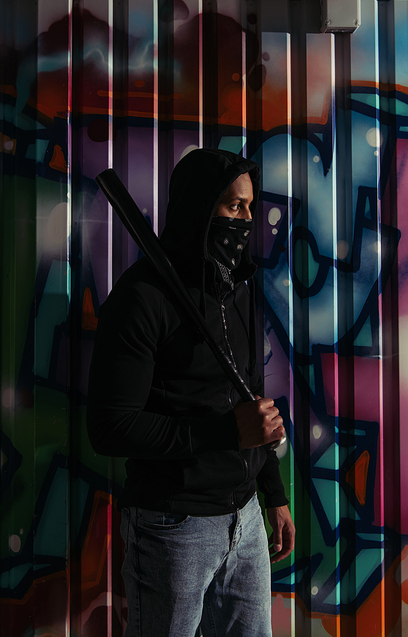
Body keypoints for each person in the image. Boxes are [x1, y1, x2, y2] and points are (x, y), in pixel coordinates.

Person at [87, 147, 295, 637]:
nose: (244, 219)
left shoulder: (238, 291)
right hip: (173, 527)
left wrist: (273, 494)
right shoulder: (143, 298)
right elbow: (110, 427)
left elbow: (252, 402)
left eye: (248, 206)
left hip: (243, 518)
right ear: (200, 209)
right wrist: (224, 432)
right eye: (232, 206)